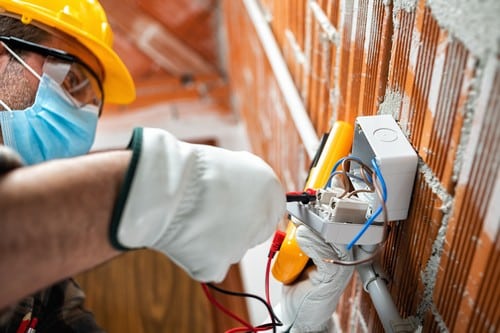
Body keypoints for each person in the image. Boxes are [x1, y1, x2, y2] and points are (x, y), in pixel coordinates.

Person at [0, 1, 351, 332]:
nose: (84, 118)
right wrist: (159, 190)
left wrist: (297, 326)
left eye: (93, 101)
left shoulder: (49, 290)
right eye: (73, 80)